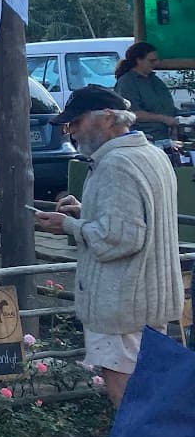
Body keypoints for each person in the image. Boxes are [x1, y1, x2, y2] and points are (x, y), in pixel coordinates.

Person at [34, 85, 181, 408]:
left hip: (122, 301)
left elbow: (121, 239)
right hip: (148, 298)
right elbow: (137, 220)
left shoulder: (115, 164)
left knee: (126, 395)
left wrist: (70, 225)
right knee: (149, 392)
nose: (69, 130)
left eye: (76, 121)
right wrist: (88, 212)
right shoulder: (152, 154)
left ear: (109, 118)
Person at [114, 42, 183, 139]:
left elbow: (166, 106)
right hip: (143, 138)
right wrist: (164, 119)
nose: (156, 63)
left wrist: (183, 116)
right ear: (139, 60)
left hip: (165, 136)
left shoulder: (155, 80)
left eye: (156, 60)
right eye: (151, 61)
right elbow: (132, 113)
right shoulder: (127, 83)